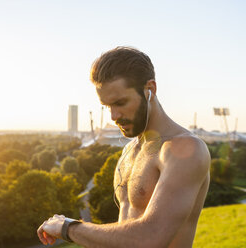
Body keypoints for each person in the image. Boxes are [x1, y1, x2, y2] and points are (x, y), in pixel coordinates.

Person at [37, 46, 210, 248]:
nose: (113, 116)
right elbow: (126, 228)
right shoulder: (129, 151)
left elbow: (150, 237)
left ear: (150, 90)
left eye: (120, 102)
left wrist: (68, 228)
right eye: (107, 106)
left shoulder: (184, 150)